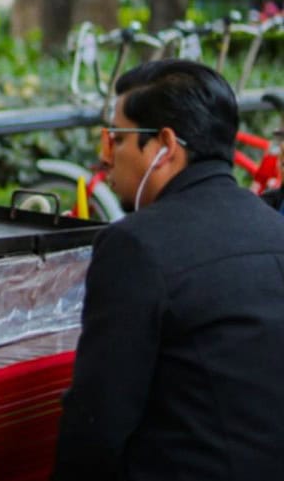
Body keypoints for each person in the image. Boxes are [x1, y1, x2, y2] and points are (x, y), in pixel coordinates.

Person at [53, 59, 284, 480]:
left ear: (164, 145)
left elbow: (98, 423)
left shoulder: (136, 246)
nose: (105, 157)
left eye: (117, 138)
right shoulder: (274, 228)